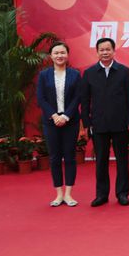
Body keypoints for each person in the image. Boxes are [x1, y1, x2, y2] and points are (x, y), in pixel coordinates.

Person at [81, 38, 129, 207]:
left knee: (122, 160)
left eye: (108, 49)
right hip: (99, 124)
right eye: (102, 50)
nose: (105, 53)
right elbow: (85, 100)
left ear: (113, 51)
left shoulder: (123, 71)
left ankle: (122, 193)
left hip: (120, 123)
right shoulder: (89, 73)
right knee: (101, 161)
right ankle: (101, 194)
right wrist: (86, 123)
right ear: (97, 52)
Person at [37, 42, 81, 207]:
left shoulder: (75, 74)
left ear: (67, 55)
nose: (59, 56)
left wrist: (66, 116)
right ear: (51, 56)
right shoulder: (44, 75)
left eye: (62, 52)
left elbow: (78, 97)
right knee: (55, 158)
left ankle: (68, 194)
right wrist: (55, 116)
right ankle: (59, 194)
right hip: (51, 121)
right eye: (56, 53)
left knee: (70, 157)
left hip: (70, 121)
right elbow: (41, 98)